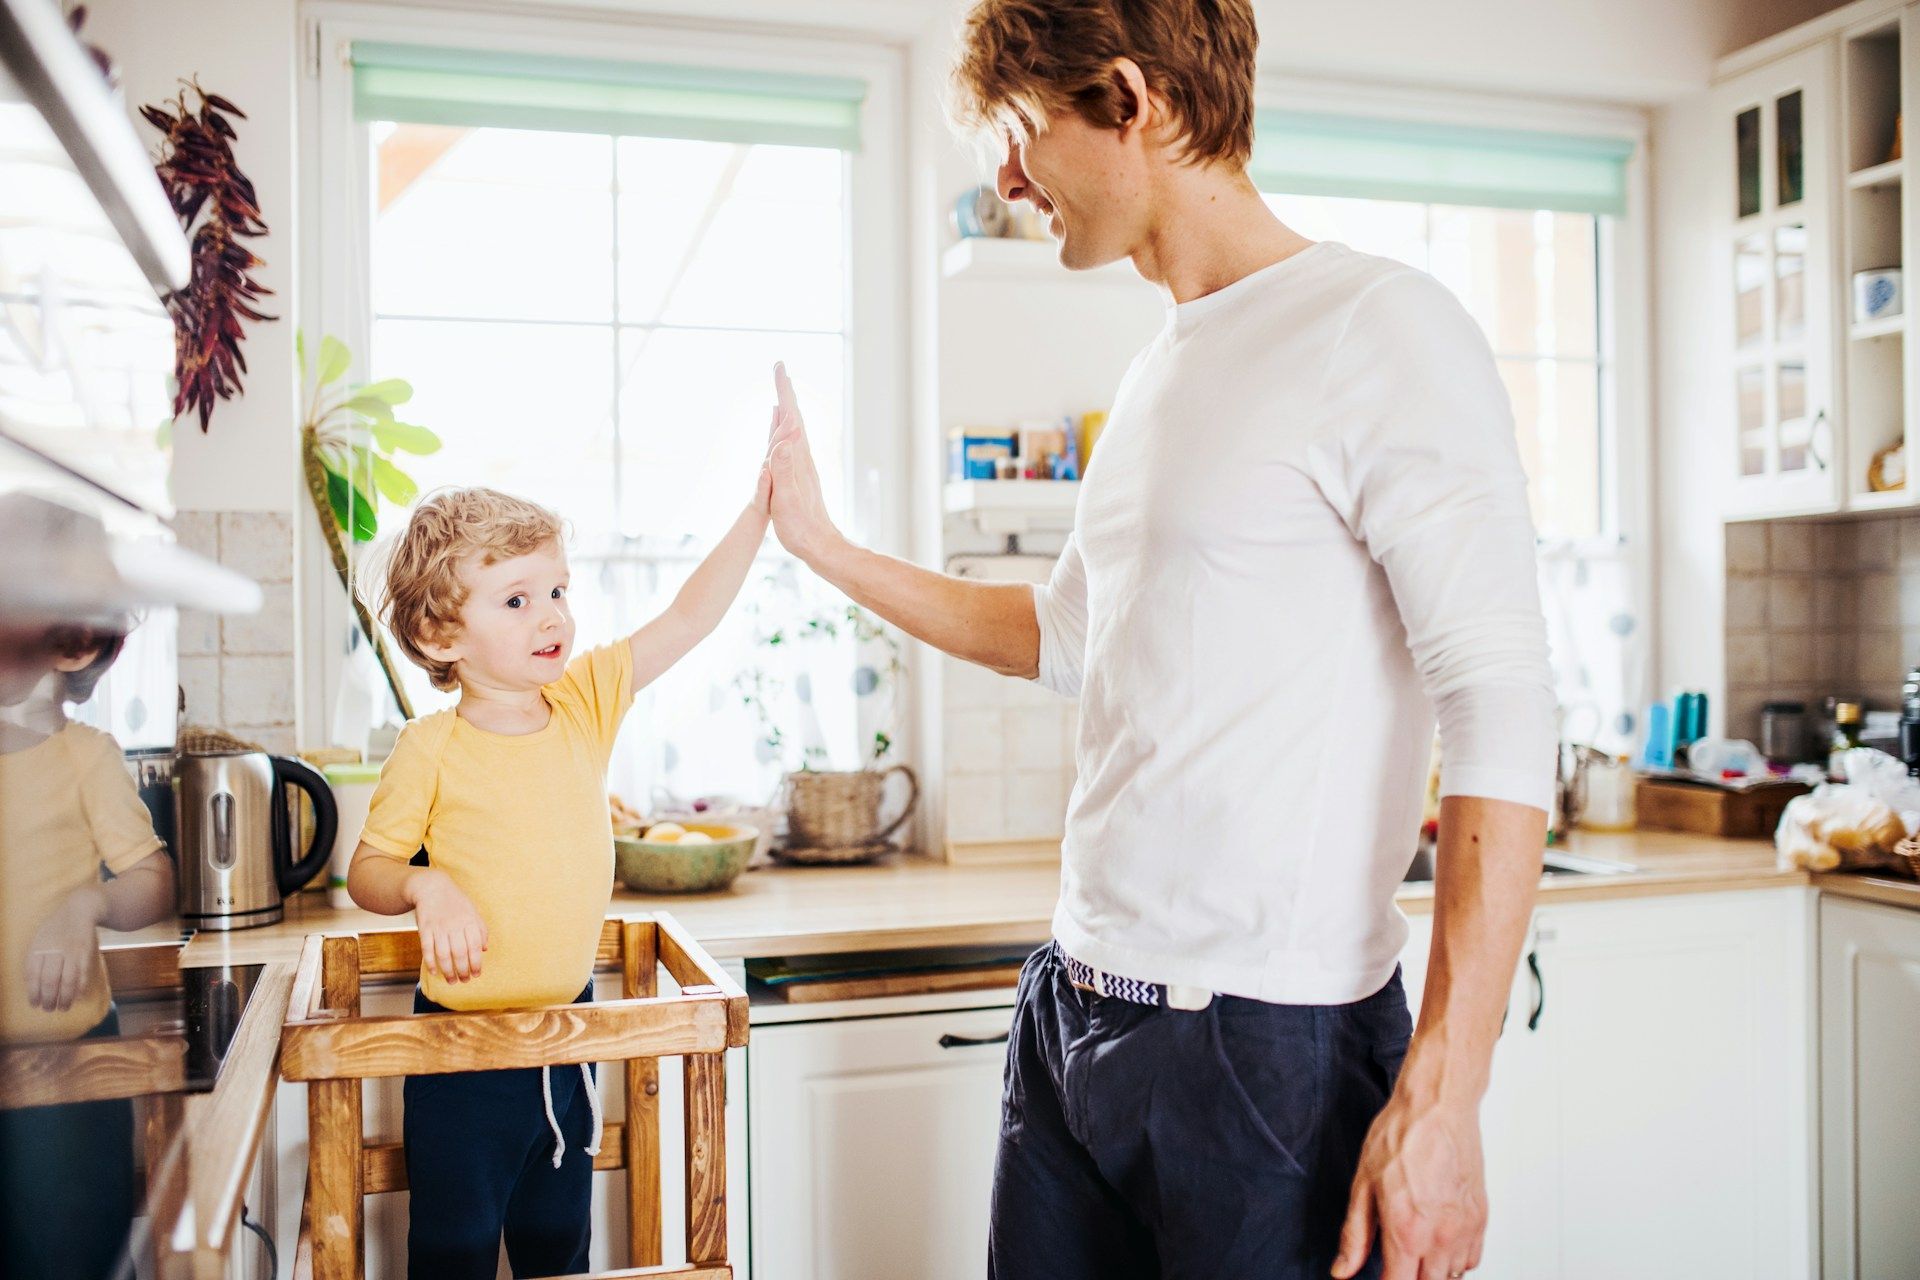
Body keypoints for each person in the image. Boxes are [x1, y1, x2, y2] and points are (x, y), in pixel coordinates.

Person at [758, 1, 1556, 1276]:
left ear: (1132, 100)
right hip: (1075, 1010)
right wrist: (828, 549)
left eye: (1023, 133)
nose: (1007, 178)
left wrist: (1445, 1095)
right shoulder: (1155, 373)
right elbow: (1065, 634)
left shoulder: (1381, 327)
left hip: (1261, 1051)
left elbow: (1502, 701)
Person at [347, 471, 769, 1279]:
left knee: (558, 1250)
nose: (552, 615)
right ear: (442, 636)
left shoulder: (582, 702)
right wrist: (425, 886)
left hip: (573, 1041)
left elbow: (689, 617)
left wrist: (759, 512)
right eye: (516, 600)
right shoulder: (428, 748)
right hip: (459, 1055)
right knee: (453, 1252)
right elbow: (371, 871)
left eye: (558, 590)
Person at [0, 561, 175, 1280]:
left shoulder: (85, 758)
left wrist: (87, 904)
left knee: (71, 1259)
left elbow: (151, 880)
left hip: (68, 1073)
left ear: (70, 648)